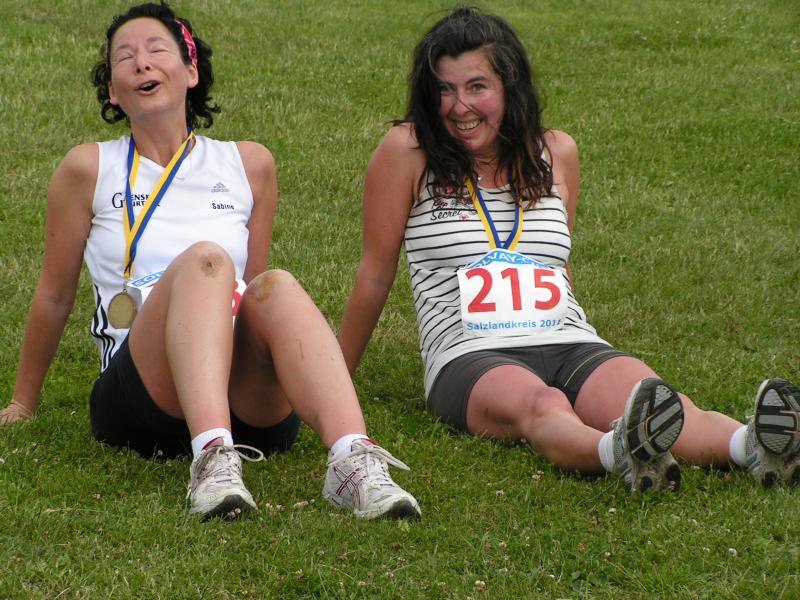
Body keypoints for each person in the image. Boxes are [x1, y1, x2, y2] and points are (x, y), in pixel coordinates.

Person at [338, 6, 800, 492]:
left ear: (509, 87)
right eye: (445, 89)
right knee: (543, 405)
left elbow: (557, 264)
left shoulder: (557, 152)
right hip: (469, 352)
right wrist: (338, 379)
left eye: (477, 87)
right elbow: (375, 274)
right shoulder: (407, 152)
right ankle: (617, 452)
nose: (459, 106)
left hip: (567, 337)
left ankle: (756, 445)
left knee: (660, 401)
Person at [0, 1, 420, 521]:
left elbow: (254, 293)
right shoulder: (88, 167)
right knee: (206, 261)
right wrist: (23, 402)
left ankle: (354, 461)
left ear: (191, 70)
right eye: (124, 57)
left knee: (275, 285)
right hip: (142, 397)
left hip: (244, 395)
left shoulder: (249, 163)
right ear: (112, 91)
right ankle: (213, 460)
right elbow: (55, 293)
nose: (141, 62)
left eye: (157, 50)